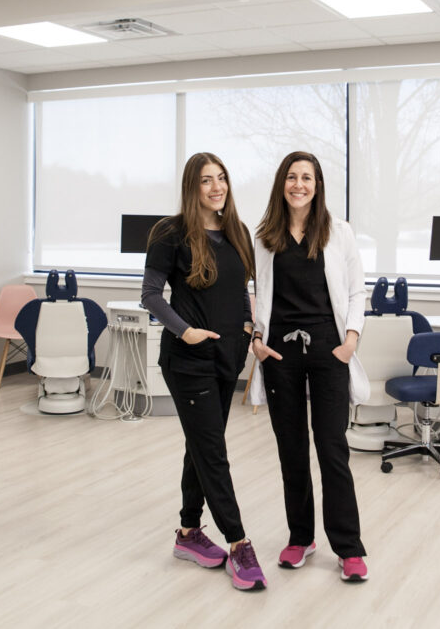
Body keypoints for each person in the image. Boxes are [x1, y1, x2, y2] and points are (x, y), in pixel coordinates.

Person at [141, 152, 267, 591]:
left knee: (201, 442)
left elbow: (242, 292)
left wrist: (251, 329)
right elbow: (151, 296)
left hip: (229, 356)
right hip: (189, 359)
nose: (216, 187)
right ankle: (238, 542)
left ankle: (189, 533)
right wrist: (186, 331)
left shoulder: (236, 232)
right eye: (206, 181)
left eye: (222, 179)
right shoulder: (170, 232)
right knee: (212, 449)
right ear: (191, 186)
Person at [248, 150, 370, 583]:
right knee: (291, 449)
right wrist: (257, 342)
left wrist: (350, 340)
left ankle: (349, 547)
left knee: (332, 447)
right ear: (282, 183)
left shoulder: (338, 232)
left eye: (308, 178)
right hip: (280, 353)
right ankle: (301, 537)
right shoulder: (264, 236)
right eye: (292, 177)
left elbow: (357, 291)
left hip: (328, 351)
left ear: (318, 186)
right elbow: (255, 293)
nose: (299, 184)